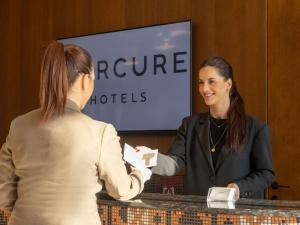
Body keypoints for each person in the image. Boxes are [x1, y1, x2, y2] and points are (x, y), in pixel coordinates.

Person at [0, 41, 151, 225]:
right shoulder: (101, 132)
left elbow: (4, 198)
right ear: (84, 80)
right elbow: (121, 190)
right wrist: (141, 174)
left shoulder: (18, 125)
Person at [148, 56, 275, 199]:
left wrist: (240, 187)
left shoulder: (256, 128)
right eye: (201, 82)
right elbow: (173, 164)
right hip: (198, 214)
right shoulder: (189, 125)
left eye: (211, 82)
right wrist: (146, 158)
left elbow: (266, 173)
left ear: (228, 84)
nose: (204, 88)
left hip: (238, 214)